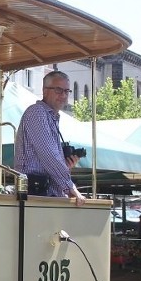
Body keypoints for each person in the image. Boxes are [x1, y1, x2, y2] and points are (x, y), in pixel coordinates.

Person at [14, 70, 85, 205]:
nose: (63, 95)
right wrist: (70, 187)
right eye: (58, 90)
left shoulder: (50, 117)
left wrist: (65, 165)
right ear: (44, 91)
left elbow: (48, 159)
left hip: (44, 195)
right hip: (34, 196)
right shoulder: (37, 112)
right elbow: (48, 155)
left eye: (67, 91)